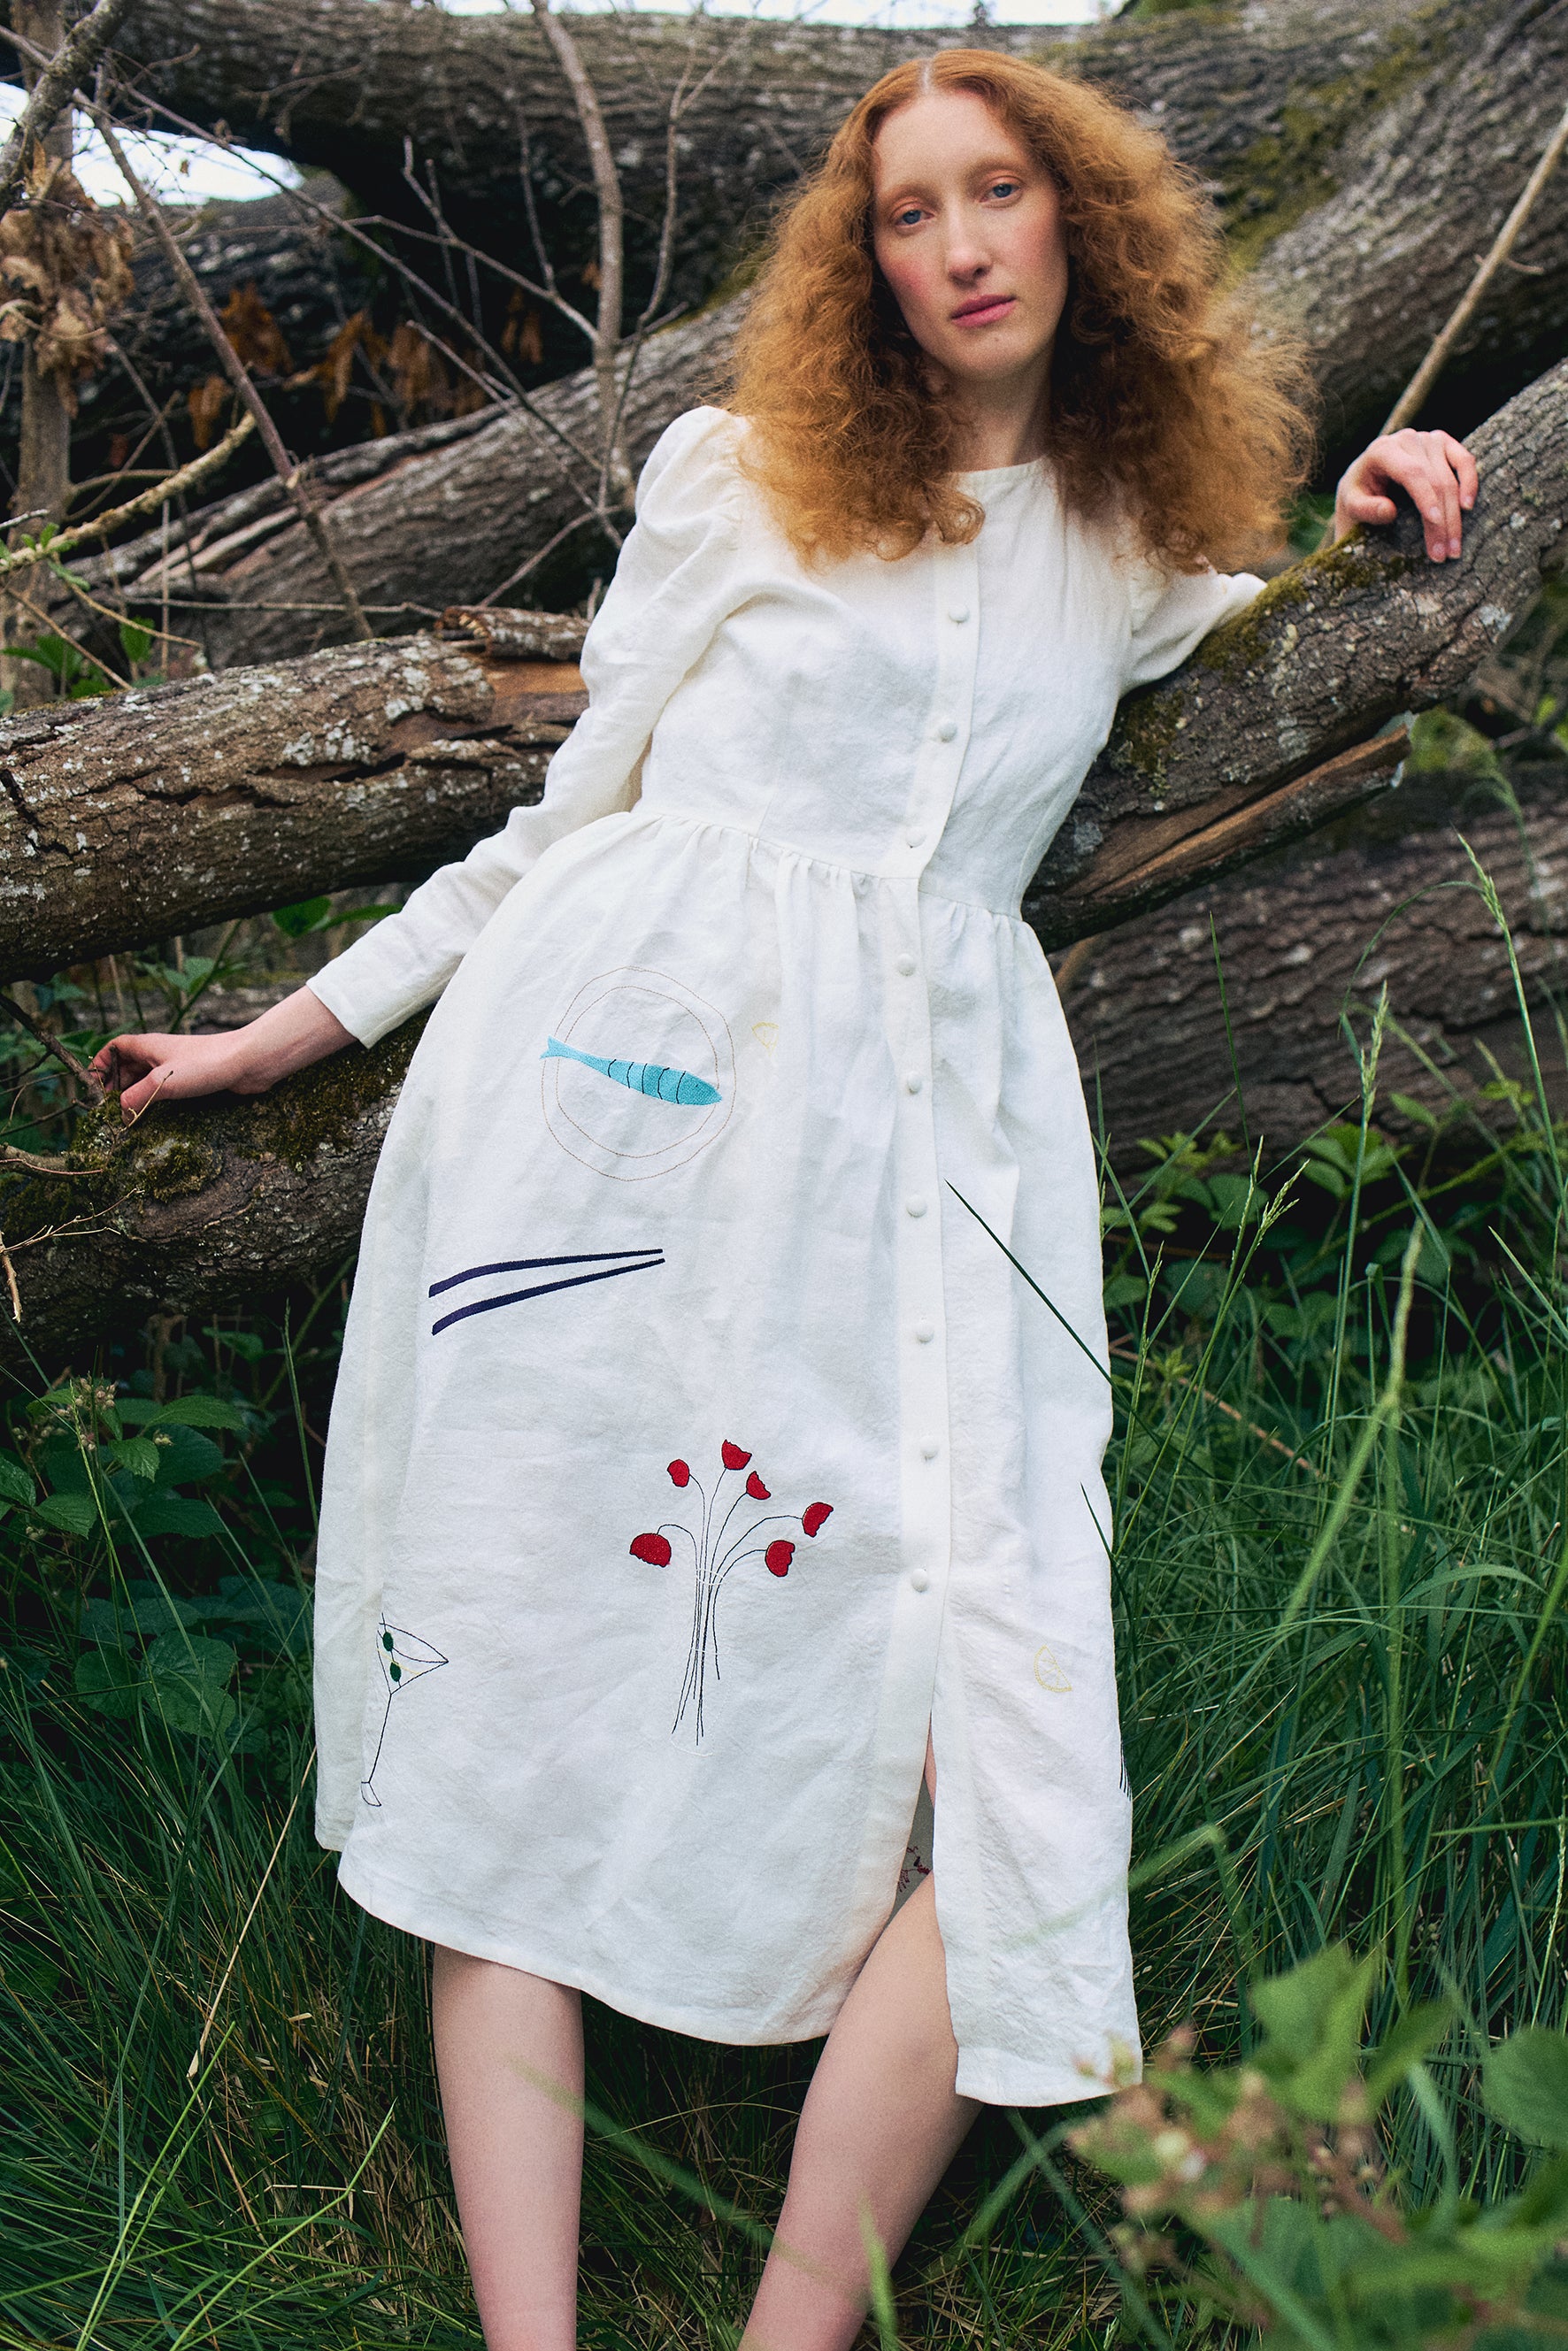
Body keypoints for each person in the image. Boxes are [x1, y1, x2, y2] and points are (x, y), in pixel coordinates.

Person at [94, 50, 1476, 2351]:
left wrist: (1385, 491)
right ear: (865, 267)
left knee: (1009, 1746)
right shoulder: (736, 477)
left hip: (925, 1185)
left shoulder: (1125, 544)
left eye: (996, 193)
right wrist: (289, 1028)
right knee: (528, 1698)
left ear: (1081, 227)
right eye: (906, 213)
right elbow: (562, 817)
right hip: (606, 1128)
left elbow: (1287, 606)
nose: (955, 245)